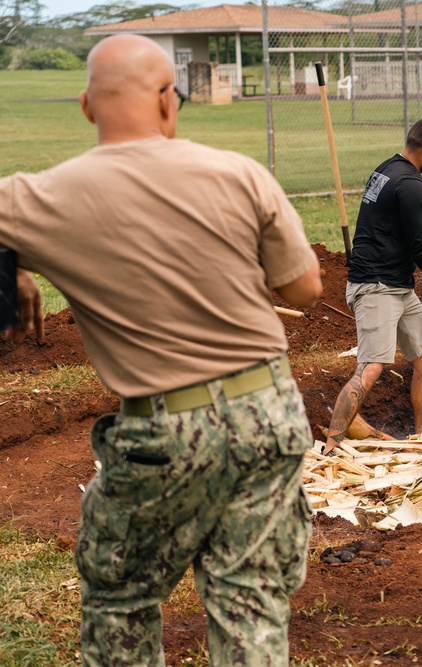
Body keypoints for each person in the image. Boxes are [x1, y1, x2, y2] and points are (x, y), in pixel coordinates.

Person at [0, 34, 323, 665]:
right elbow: (306, 289)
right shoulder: (238, 172)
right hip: (269, 411)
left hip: (164, 430)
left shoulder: (38, 199)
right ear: (168, 100)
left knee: (121, 596)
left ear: (88, 107)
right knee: (251, 596)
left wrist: (11, 269)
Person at [324, 118, 422, 450]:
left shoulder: (387, 169)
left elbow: (385, 219)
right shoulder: (412, 185)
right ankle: (331, 446)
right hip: (377, 286)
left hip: (396, 285)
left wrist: (416, 232)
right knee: (371, 366)